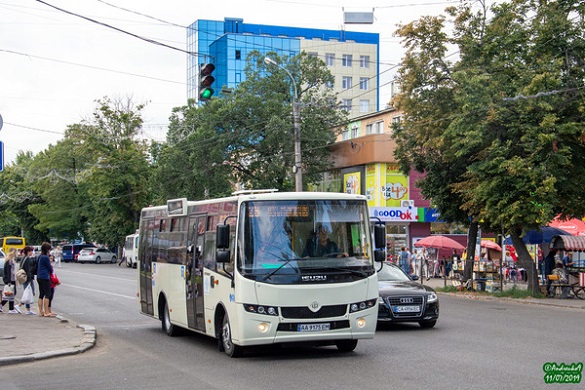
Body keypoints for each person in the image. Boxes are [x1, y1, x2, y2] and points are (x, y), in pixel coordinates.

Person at [36, 242, 56, 317]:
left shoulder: (39, 256)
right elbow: (50, 268)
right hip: (45, 277)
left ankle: (41, 311)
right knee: (48, 294)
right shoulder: (45, 257)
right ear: (47, 249)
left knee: (41, 294)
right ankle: (46, 311)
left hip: (39, 276)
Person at [19, 246, 37, 315]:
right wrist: (29, 280)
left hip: (24, 278)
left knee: (28, 294)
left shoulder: (23, 258)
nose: (32, 252)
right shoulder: (27, 259)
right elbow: (28, 270)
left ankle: (28, 309)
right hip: (27, 278)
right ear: (28, 252)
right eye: (31, 251)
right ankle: (19, 305)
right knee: (28, 293)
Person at [1, 248, 20, 313]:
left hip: (11, 279)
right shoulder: (10, 260)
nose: (17, 254)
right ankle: (2, 305)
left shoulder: (9, 260)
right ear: (13, 252)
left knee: (12, 294)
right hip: (10, 279)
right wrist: (9, 281)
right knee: (9, 294)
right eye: (16, 252)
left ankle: (11, 308)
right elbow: (9, 271)